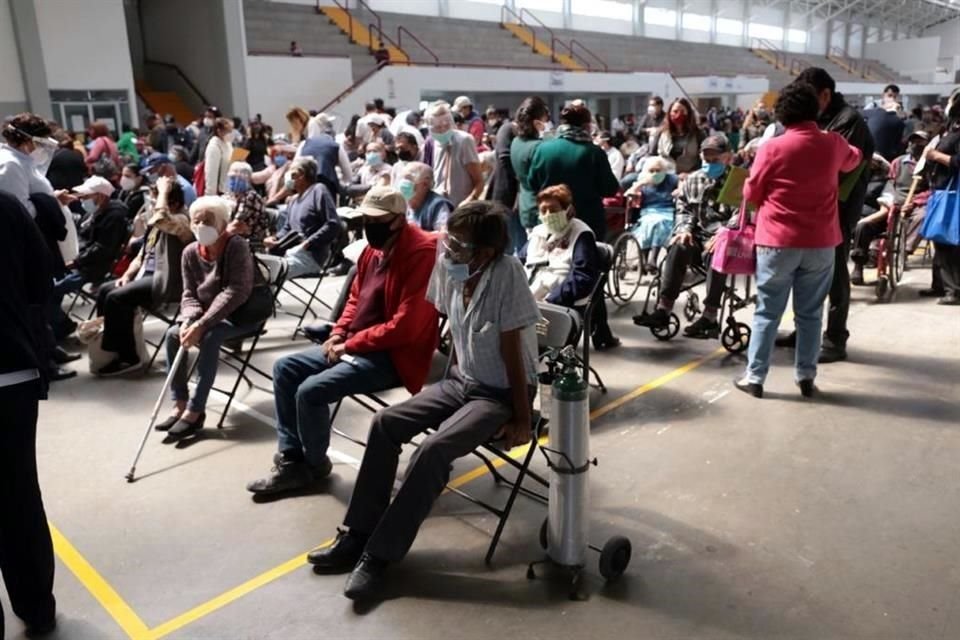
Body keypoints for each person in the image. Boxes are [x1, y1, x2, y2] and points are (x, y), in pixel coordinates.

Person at [306, 201, 540, 600]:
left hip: (501, 392)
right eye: (449, 239)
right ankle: (356, 533)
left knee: (432, 451)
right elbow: (444, 326)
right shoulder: (450, 267)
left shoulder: (507, 274)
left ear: (485, 252)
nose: (447, 249)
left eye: (460, 245)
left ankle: (379, 555)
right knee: (384, 424)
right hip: (460, 379)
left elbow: (512, 352)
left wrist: (521, 417)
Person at [247, 187, 439, 497]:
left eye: (377, 219)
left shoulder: (422, 253)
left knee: (310, 392)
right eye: (365, 218)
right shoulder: (371, 250)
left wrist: (349, 345)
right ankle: (293, 459)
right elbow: (355, 299)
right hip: (356, 344)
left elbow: (405, 327)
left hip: (393, 357)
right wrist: (339, 332)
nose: (368, 224)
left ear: (399, 221)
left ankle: (313, 465)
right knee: (286, 368)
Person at [735, 82, 862, 398]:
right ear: (816, 110)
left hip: (777, 242)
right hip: (821, 244)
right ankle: (806, 376)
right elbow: (855, 158)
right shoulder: (832, 143)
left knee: (767, 311)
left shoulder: (772, 147)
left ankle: (755, 378)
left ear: (781, 115)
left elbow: (751, 193)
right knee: (810, 313)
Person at [776, 68, 875, 362]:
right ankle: (804, 330)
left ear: (825, 95)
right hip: (812, 208)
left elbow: (836, 169)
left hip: (838, 210)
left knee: (835, 275)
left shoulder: (849, 122)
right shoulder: (817, 118)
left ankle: (835, 338)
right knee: (806, 275)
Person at [0, 190, 57, 638]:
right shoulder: (7, 205)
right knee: (20, 495)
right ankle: (37, 607)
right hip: (12, 370)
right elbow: (43, 281)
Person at [157, 195, 260, 440]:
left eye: (208, 220)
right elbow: (189, 293)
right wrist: (189, 321)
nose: (201, 225)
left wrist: (201, 325)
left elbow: (237, 291)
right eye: (197, 220)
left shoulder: (236, 246)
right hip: (205, 315)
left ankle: (196, 410)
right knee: (172, 334)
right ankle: (179, 402)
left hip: (240, 315)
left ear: (223, 224)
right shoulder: (190, 252)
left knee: (211, 336)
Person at [633, 134, 736, 339]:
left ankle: (710, 316)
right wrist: (685, 229)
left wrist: (726, 231)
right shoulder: (694, 179)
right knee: (678, 244)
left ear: (728, 157)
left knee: (718, 250)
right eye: (706, 160)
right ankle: (664, 309)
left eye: (715, 160)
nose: (710, 164)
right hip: (698, 235)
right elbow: (684, 208)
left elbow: (742, 213)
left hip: (725, 237)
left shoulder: (739, 180)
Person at [96, 177, 192, 376]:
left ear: (171, 202)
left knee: (117, 298)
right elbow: (143, 254)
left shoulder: (182, 219)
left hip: (167, 281)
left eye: (157, 199)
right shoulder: (155, 222)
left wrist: (164, 191)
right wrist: (128, 274)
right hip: (146, 274)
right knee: (106, 289)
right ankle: (113, 348)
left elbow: (162, 219)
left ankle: (129, 357)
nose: (153, 204)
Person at [526, 185, 619, 350]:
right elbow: (519, 263)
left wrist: (551, 298)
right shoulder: (538, 233)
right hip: (529, 297)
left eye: (553, 210)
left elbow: (583, 277)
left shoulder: (581, 234)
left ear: (567, 210)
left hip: (559, 301)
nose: (548, 215)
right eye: (543, 211)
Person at [48, 176, 128, 340]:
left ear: (101, 196)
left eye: (86, 197)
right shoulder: (93, 214)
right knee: (48, 284)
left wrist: (75, 261)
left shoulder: (114, 217)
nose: (83, 200)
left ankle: (63, 326)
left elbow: (101, 249)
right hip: (80, 260)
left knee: (49, 292)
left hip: (93, 267)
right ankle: (59, 325)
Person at [528, 101, 620, 241]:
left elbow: (532, 184)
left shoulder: (542, 149)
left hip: (551, 221)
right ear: (586, 126)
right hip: (587, 223)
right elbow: (610, 188)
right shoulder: (594, 152)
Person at [263, 157, 340, 279]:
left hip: (309, 256)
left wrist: (308, 242)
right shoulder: (294, 200)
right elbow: (287, 228)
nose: (289, 177)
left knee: (267, 274)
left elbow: (333, 224)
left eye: (292, 173)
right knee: (259, 269)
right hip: (289, 252)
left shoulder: (318, 190)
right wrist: (275, 238)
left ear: (302, 175)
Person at [920, 87, 960, 305]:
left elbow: (957, 162)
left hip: (952, 194)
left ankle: (953, 290)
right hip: (942, 190)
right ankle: (939, 285)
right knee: (939, 238)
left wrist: (936, 155)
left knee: (948, 242)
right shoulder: (950, 130)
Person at [0, 113, 73, 215]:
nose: (43, 148)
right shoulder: (11, 165)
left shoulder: (23, 161)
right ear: (27, 141)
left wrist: (53, 197)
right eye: (41, 144)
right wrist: (54, 202)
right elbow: (21, 211)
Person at [624, 156, 678, 272]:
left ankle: (653, 259)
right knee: (647, 225)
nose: (655, 173)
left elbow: (682, 187)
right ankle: (643, 259)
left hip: (666, 211)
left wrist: (678, 191)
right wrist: (641, 184)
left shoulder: (671, 179)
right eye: (652, 171)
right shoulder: (643, 179)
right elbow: (628, 194)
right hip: (648, 211)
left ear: (664, 170)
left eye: (658, 171)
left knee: (660, 223)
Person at [425, 101, 484, 206]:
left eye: (446, 126)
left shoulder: (464, 140)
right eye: (437, 128)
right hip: (439, 207)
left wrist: (469, 201)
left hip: (460, 208)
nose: (443, 130)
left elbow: (479, 181)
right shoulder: (430, 143)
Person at [510, 96, 551, 248]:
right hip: (542, 210)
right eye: (545, 120)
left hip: (526, 206)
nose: (547, 124)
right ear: (537, 123)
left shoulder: (516, 142)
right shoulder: (540, 148)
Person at [297, 112, 353, 195]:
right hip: (327, 188)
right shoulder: (335, 146)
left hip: (304, 188)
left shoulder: (303, 144)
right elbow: (348, 173)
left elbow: (295, 166)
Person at [648, 98, 704, 175]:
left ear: (688, 113)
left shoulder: (698, 134)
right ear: (670, 113)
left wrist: (691, 173)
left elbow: (704, 159)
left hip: (689, 175)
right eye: (675, 111)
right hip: (664, 174)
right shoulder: (662, 133)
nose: (678, 114)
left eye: (682, 111)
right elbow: (653, 155)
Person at [223, 161, 270, 252]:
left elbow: (236, 224)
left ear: (245, 179)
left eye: (234, 178)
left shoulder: (250, 197)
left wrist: (219, 236)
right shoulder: (234, 196)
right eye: (230, 178)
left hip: (252, 242)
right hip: (238, 238)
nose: (231, 182)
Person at [398, 161, 452, 231]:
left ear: (425, 184)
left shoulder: (438, 205)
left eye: (408, 178)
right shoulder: (401, 202)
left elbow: (442, 235)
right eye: (403, 178)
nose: (403, 183)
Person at [203, 117, 234, 196]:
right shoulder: (214, 147)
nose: (231, 133)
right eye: (228, 131)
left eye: (231, 130)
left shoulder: (228, 143)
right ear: (219, 131)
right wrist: (211, 196)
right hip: (220, 192)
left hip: (229, 188)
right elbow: (211, 173)